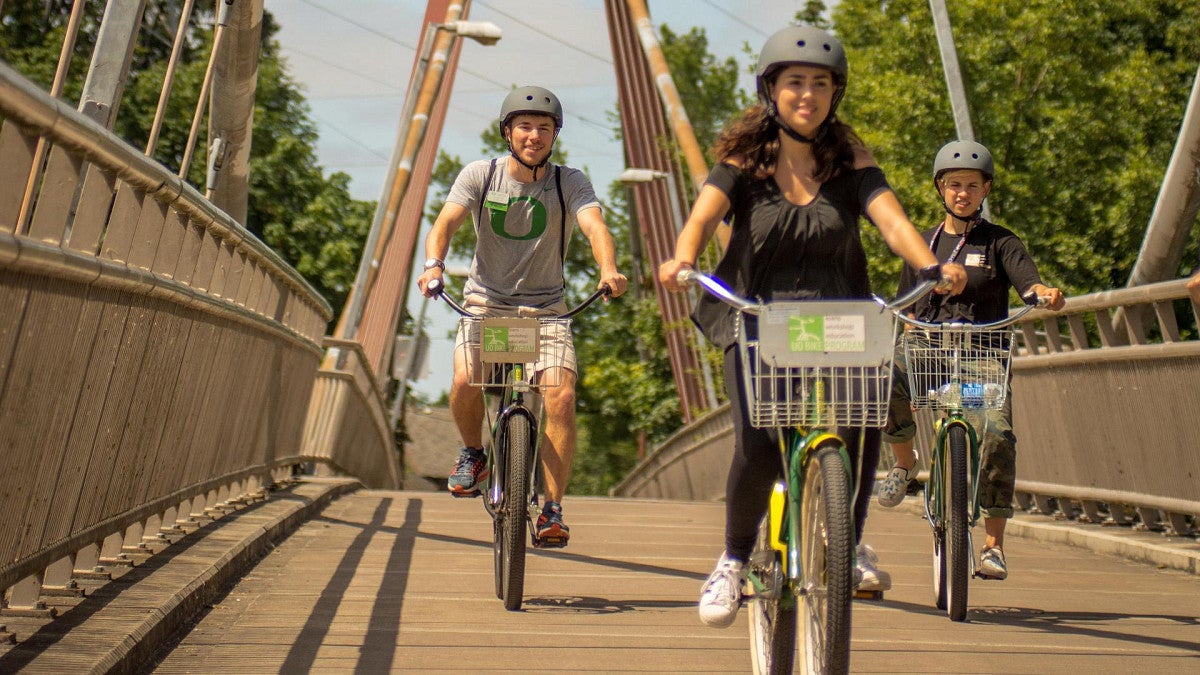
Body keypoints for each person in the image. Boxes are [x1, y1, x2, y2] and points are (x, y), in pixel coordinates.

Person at [657, 25, 967, 628]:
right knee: (757, 444)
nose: (807, 94)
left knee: (860, 421)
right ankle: (733, 559)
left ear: (834, 94)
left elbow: (892, 221)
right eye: (795, 82)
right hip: (757, 317)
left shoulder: (849, 160)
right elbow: (703, 215)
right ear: (771, 89)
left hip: (838, 316)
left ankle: (845, 544)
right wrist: (683, 258)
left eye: (820, 84)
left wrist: (930, 264)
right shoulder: (746, 160)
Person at [417, 86, 627, 547]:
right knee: (464, 380)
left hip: (545, 311)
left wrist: (607, 269)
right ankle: (474, 454)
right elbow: (446, 223)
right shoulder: (481, 175)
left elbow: (595, 226)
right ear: (508, 132)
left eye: (545, 128)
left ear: (555, 136)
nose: (535, 135)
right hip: (486, 306)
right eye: (526, 127)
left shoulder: (568, 181)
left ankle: (550, 508)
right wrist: (434, 266)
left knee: (562, 396)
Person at [876, 139, 1066, 581]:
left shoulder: (1001, 242)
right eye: (954, 184)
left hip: (981, 355)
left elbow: (1029, 283)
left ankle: (994, 545)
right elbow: (906, 301)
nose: (962, 193)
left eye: (972, 186)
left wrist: (1043, 294)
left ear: (985, 191)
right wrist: (908, 320)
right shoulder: (925, 244)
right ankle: (905, 464)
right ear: (940, 188)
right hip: (930, 349)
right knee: (884, 378)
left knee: (998, 434)